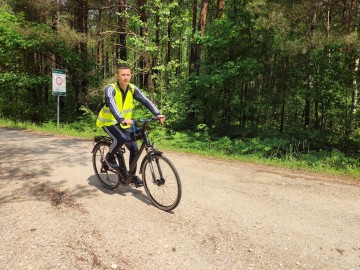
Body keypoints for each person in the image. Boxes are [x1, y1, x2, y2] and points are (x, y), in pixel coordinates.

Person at [96, 64, 165, 187]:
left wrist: (157, 114)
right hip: (108, 122)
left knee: (134, 148)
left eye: (128, 74)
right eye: (123, 75)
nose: (126, 77)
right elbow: (111, 104)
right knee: (120, 139)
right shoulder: (110, 88)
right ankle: (109, 157)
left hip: (124, 123)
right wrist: (121, 119)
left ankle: (131, 176)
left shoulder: (132, 89)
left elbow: (145, 100)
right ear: (117, 75)